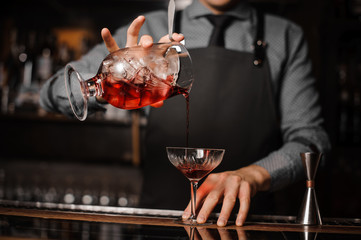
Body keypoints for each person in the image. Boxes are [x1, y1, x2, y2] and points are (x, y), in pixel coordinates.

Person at [40, 0, 330, 227]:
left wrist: (254, 175)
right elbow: (50, 95)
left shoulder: (286, 36)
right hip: (157, 221)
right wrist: (108, 83)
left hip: (248, 224)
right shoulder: (148, 28)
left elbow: (312, 140)